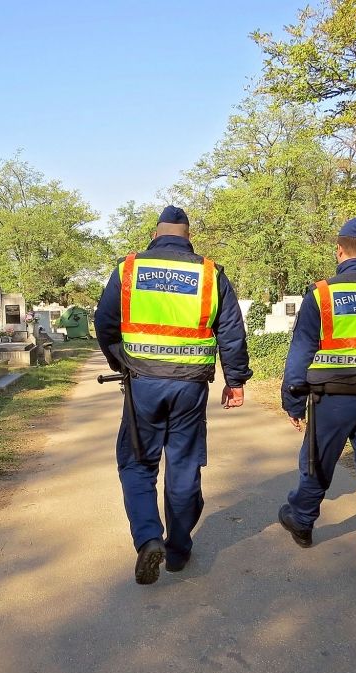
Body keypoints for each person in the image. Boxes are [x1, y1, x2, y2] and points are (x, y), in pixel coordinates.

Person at [94, 205, 253, 585]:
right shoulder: (210, 273)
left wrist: (121, 361)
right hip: (190, 386)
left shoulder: (129, 268)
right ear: (188, 236)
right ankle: (179, 550)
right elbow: (231, 330)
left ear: (155, 233)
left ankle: (149, 538)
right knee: (182, 466)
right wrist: (236, 380)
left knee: (136, 464)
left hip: (143, 385)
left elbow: (104, 322)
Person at [277, 217, 356, 593]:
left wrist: (293, 402)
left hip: (331, 402)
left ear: (339, 251)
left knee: (316, 466)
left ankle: (301, 521)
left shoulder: (321, 294)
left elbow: (300, 354)